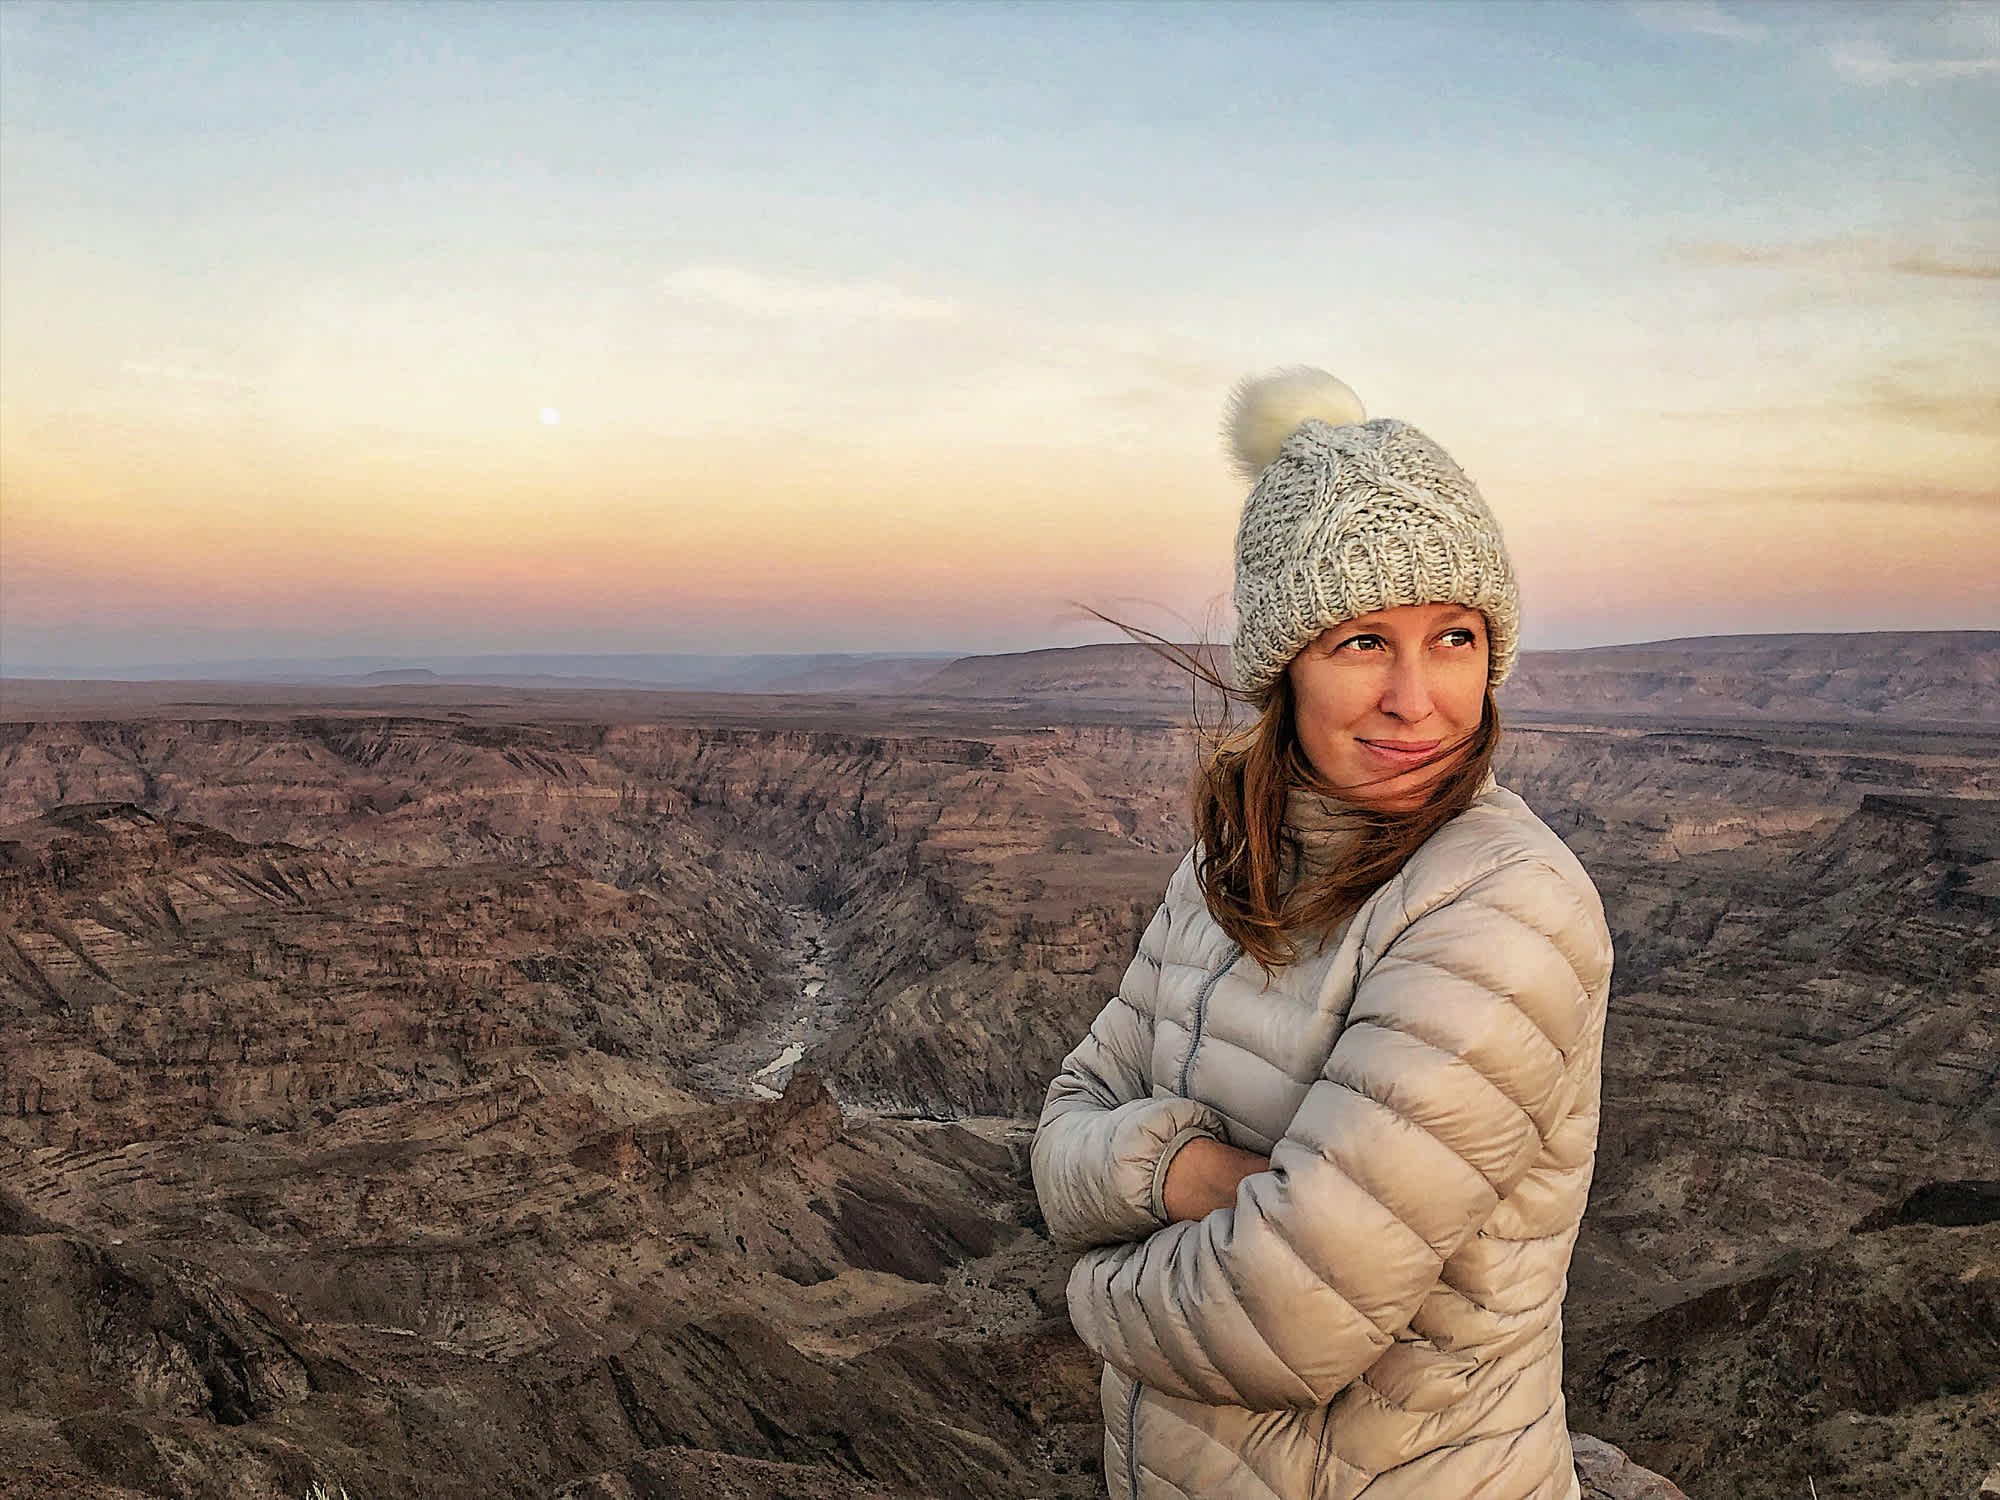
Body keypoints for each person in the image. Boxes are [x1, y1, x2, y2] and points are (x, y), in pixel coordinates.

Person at [1032, 368, 1614, 1500]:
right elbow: (1060, 1128)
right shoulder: (1226, 872)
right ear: (1281, 666)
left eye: (1453, 636)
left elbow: (1281, 1325)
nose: (1416, 698)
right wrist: (1194, 1175)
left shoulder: (1500, 905)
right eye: (1360, 641)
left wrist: (1085, 1284)